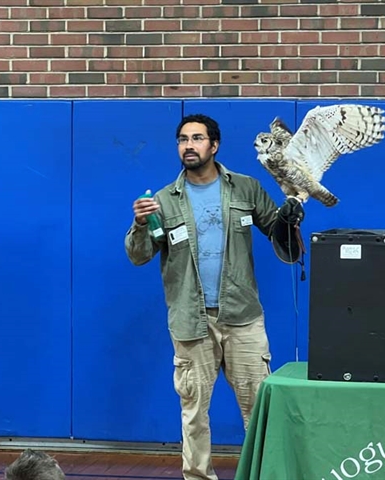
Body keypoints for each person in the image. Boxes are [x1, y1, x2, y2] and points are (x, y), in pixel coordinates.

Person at [124, 113, 304, 480]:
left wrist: (291, 216)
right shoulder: (162, 201)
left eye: (197, 138)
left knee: (259, 411)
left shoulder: (246, 188)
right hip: (191, 321)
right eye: (182, 139)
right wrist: (140, 224)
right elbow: (139, 255)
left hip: (243, 317)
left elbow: (280, 236)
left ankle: (265, 475)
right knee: (194, 415)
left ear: (214, 145)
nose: (188, 145)